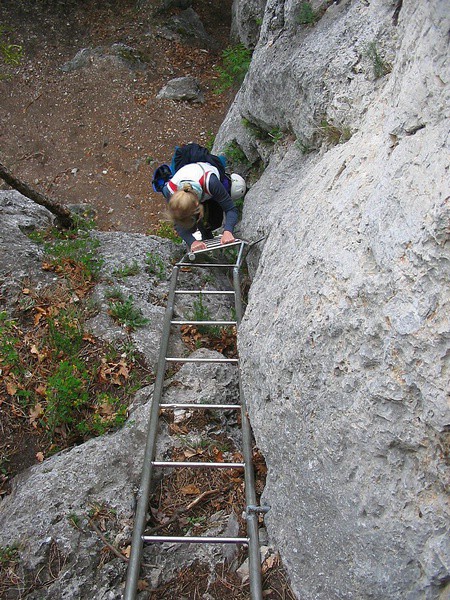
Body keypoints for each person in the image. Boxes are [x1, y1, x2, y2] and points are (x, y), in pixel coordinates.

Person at [162, 161, 240, 253]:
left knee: (214, 222)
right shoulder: (169, 191)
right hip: (197, 190)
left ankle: (206, 231)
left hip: (208, 186)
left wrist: (228, 231)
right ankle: (204, 233)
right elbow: (177, 223)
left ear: (197, 206)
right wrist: (192, 242)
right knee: (189, 226)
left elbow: (231, 209)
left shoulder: (211, 183)